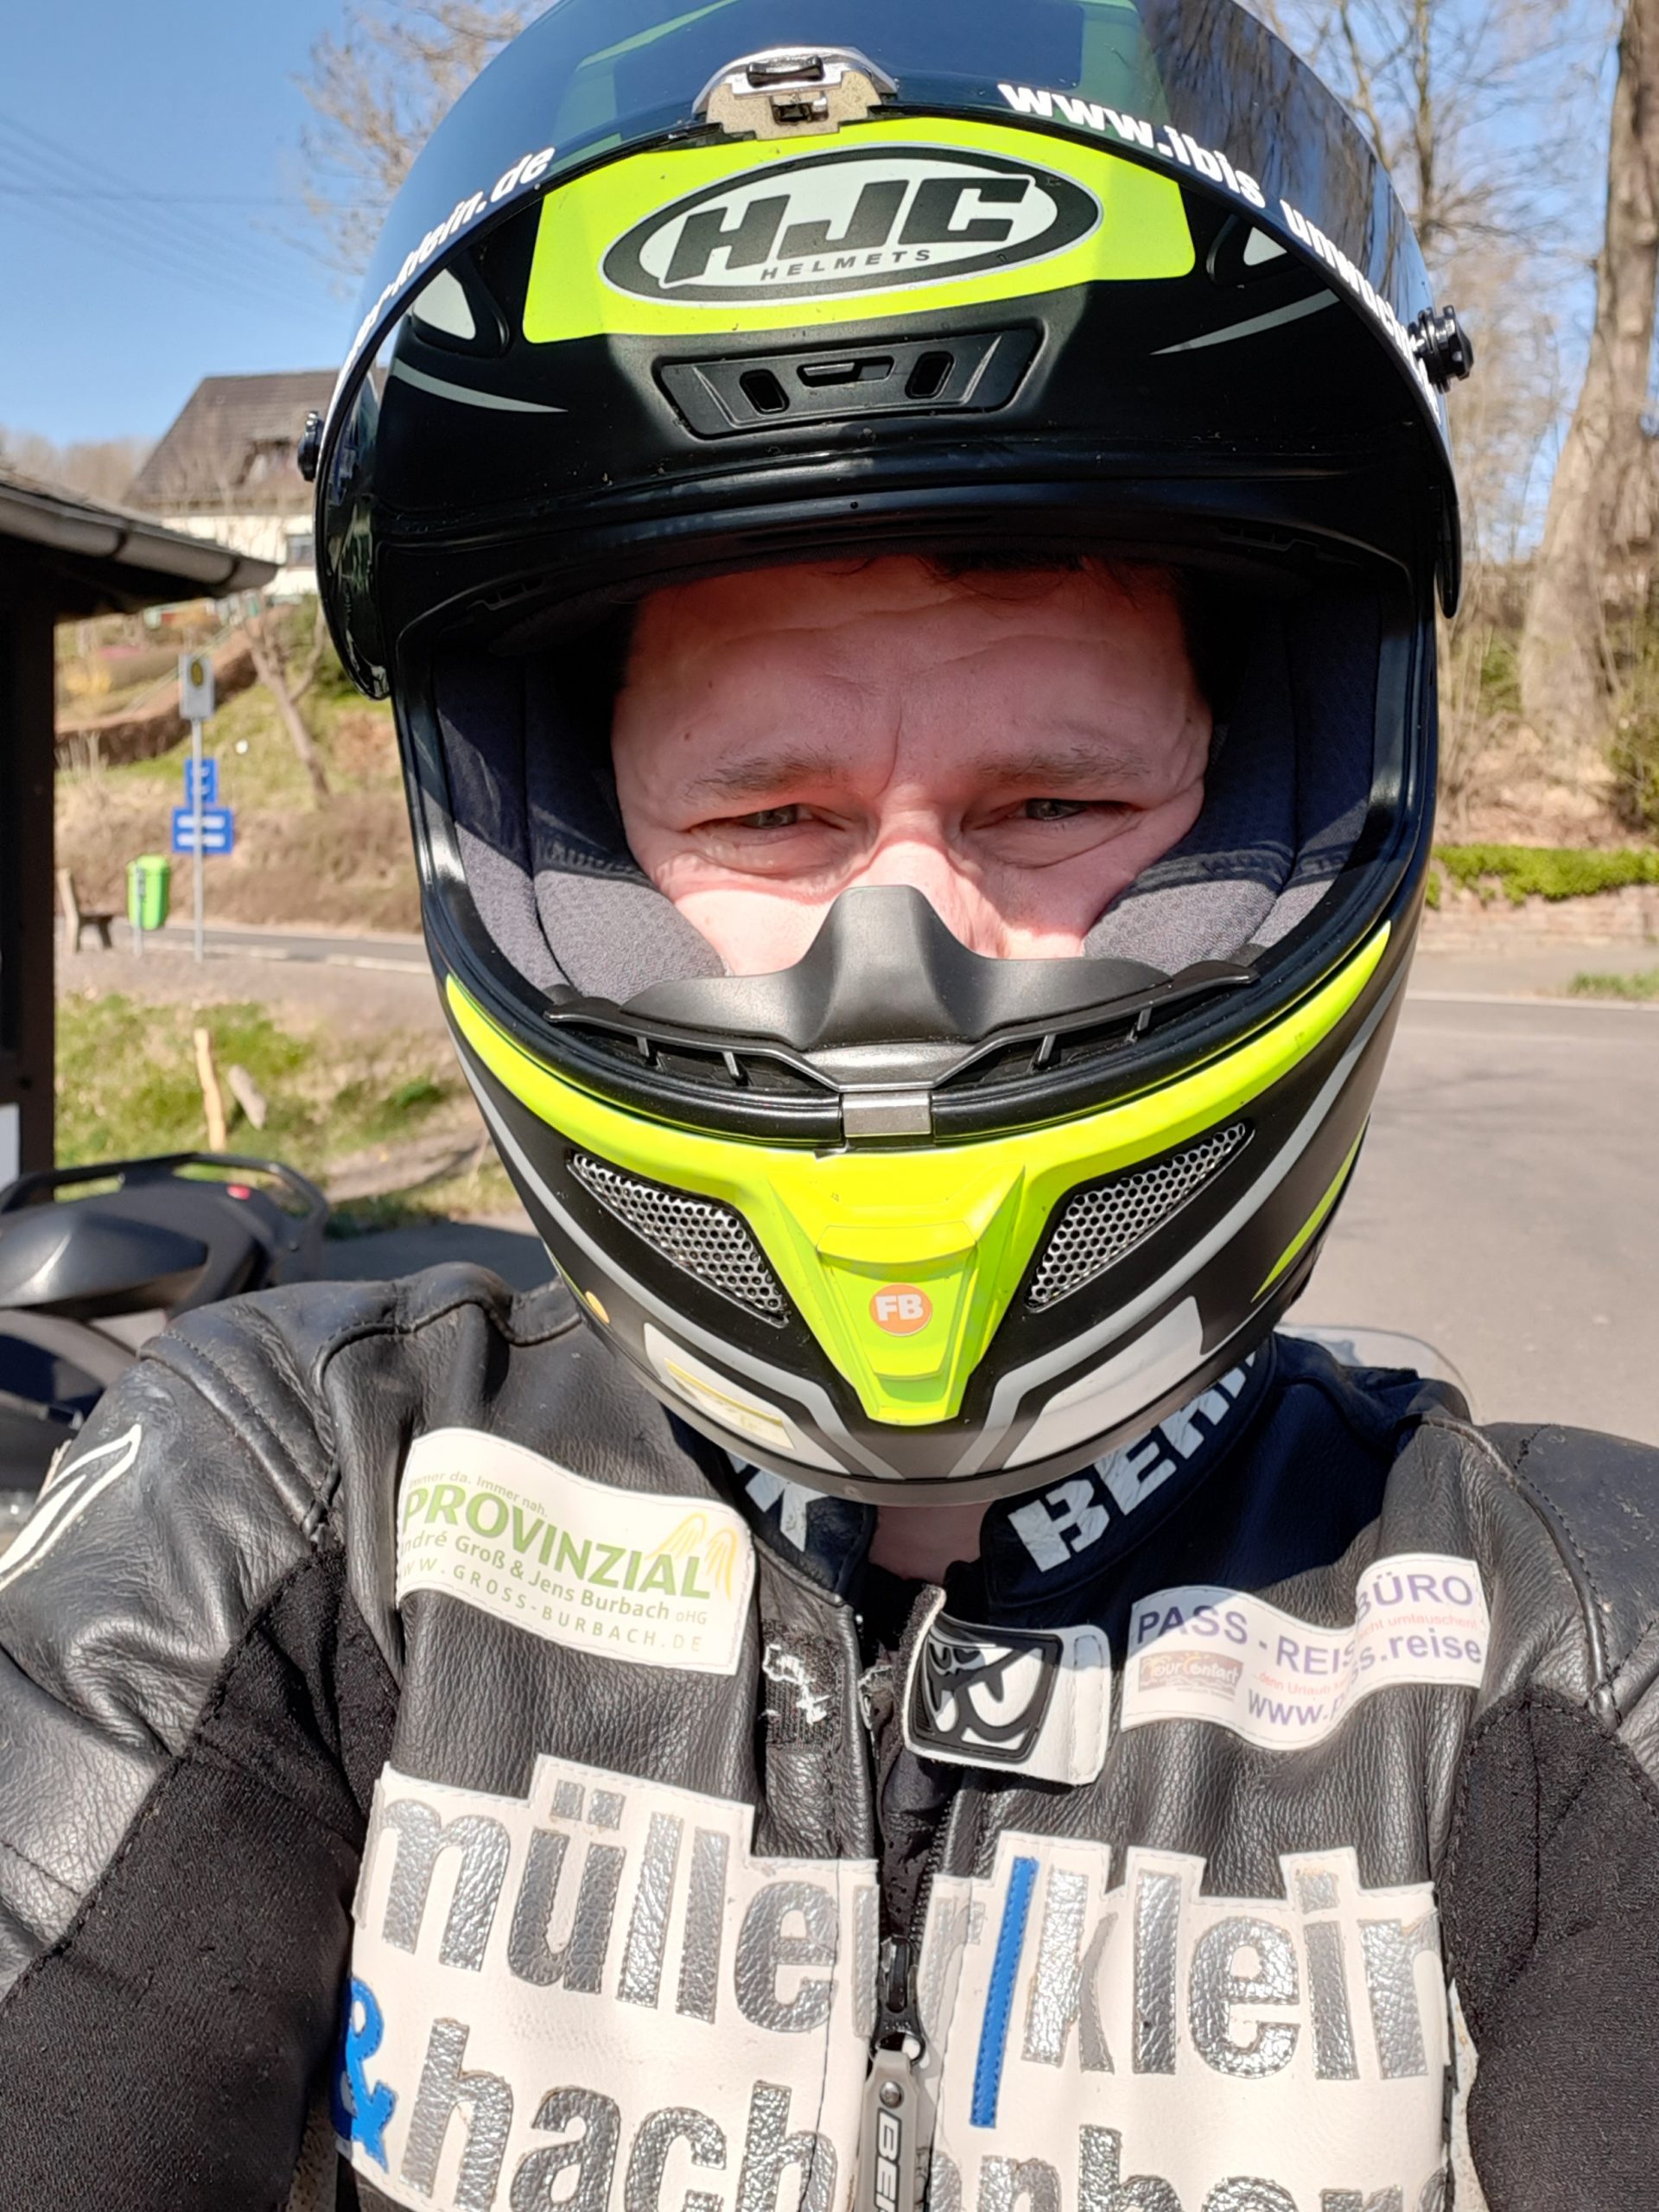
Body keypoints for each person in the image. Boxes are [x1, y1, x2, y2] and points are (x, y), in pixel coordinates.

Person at [1, 6, 1655, 2210]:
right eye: (770, 814)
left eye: (1051, 800)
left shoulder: (1555, 1634)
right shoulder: (297, 1512)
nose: (908, 952)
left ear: (1263, 813)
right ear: (568, 856)